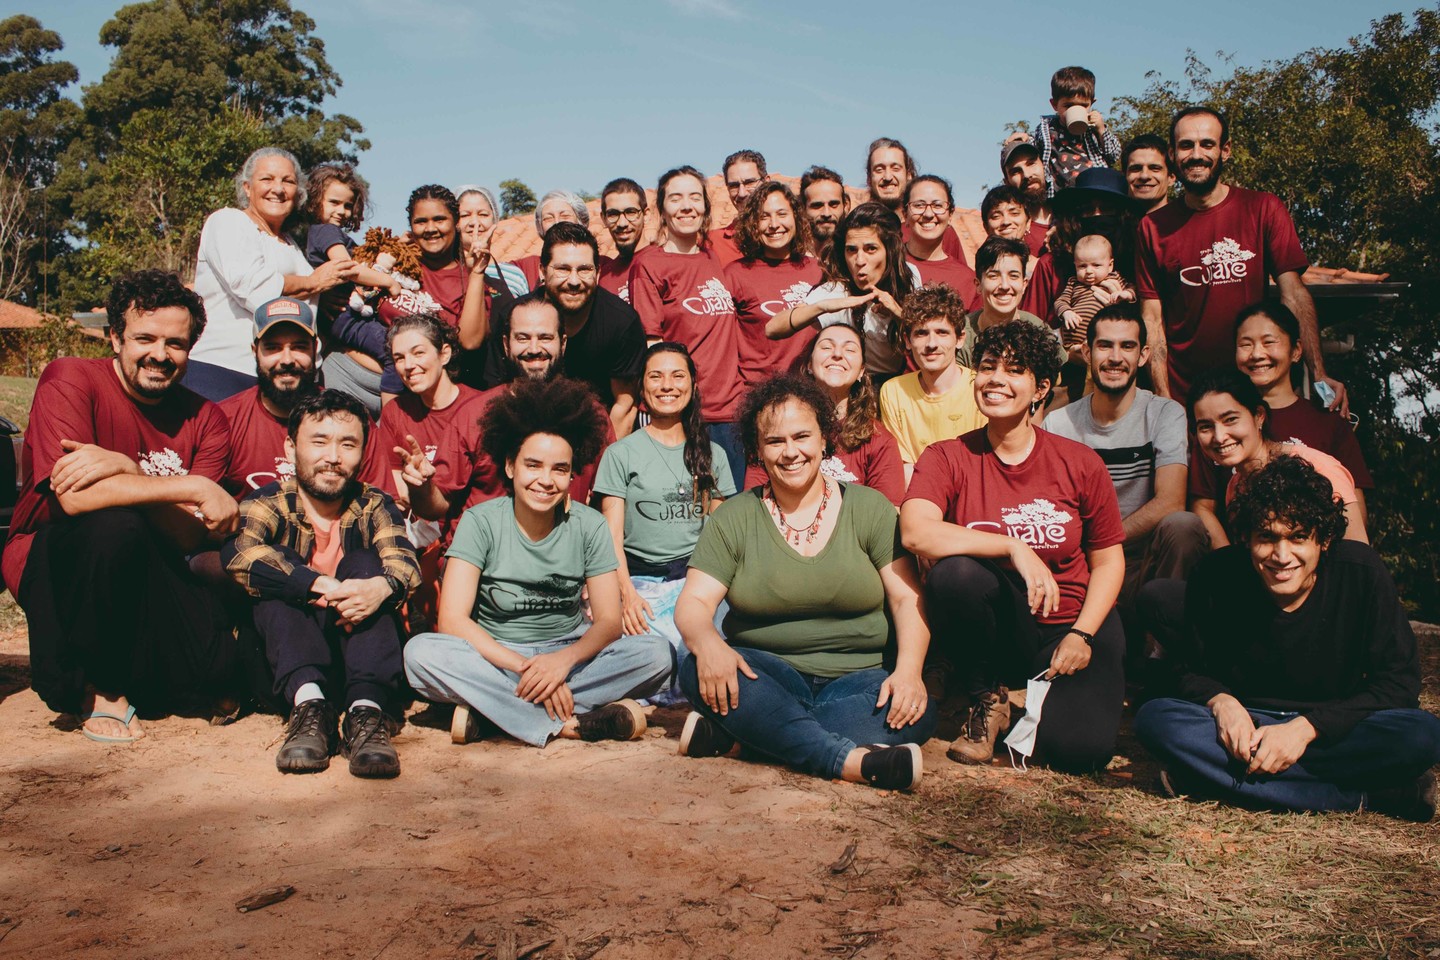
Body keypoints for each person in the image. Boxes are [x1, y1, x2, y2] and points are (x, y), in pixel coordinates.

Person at [3, 270, 240, 743]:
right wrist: (185, 484)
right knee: (114, 525)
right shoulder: (71, 378)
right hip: (54, 553)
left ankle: (147, 675)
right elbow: (74, 498)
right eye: (144, 338)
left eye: (175, 343)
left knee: (215, 681)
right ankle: (98, 688)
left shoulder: (206, 417)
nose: (160, 354)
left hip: (157, 560)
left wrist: (129, 472)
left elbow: (191, 533)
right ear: (115, 337)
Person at [1135, 455, 1440, 821]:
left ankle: (1206, 780)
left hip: (1331, 726)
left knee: (1422, 735)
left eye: (1298, 537)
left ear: (1324, 539)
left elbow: (1397, 686)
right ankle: (1374, 795)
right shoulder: (1216, 575)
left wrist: (1306, 729)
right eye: (1267, 537)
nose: (1282, 556)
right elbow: (1186, 669)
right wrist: (1222, 703)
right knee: (1157, 719)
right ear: (1246, 537)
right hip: (1248, 725)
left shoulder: (1362, 573)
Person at [674, 375, 938, 791]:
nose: (791, 452)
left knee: (917, 710)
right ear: (757, 449)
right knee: (694, 668)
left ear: (823, 439)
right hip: (764, 674)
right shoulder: (734, 516)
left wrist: (908, 671)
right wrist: (709, 647)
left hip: (859, 678)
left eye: (802, 436)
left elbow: (907, 600)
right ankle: (850, 762)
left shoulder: (869, 508)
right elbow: (693, 605)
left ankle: (749, 736)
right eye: (775, 441)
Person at [901, 320, 1126, 770]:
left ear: (1041, 388)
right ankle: (989, 696)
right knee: (954, 573)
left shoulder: (1079, 463)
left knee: (1080, 752)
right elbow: (916, 531)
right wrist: (1010, 546)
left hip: (1071, 622)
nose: (996, 379)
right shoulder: (947, 456)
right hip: (1003, 628)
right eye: (987, 367)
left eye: (1014, 370)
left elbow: (1108, 560)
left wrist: (1083, 634)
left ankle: (1025, 700)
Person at [404, 377, 672, 748]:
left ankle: (493, 713)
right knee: (420, 654)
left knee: (656, 654)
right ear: (511, 467)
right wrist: (526, 669)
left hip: (568, 652)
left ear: (571, 474)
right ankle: (568, 724)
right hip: (497, 654)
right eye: (533, 466)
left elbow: (609, 621)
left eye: (559, 469)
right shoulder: (480, 521)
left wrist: (561, 663)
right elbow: (453, 621)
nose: (545, 481)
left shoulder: (589, 524)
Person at [223, 390, 420, 778]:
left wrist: (379, 588)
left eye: (348, 444)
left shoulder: (374, 504)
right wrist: (316, 584)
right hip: (285, 668)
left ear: (363, 452)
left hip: (358, 659)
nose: (333, 456)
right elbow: (238, 555)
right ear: (291, 446)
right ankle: (310, 711)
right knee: (280, 570)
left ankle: (367, 715)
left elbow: (405, 563)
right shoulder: (267, 502)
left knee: (367, 563)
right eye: (319, 442)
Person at [1137, 106, 1347, 414]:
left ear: (1226, 150)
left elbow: (1293, 293)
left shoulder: (1262, 208)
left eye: (1207, 144)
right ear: (1172, 153)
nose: (1197, 154)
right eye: (1186, 145)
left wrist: (1319, 373)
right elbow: (1152, 319)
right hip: (1187, 401)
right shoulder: (1152, 227)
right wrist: (1163, 396)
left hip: (1256, 393)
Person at [1043, 305, 1208, 635]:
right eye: (1105, 346)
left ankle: (1161, 648)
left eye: (1127, 346)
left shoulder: (1165, 414)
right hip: (1082, 565)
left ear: (1144, 355)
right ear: (1087, 352)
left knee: (1184, 525)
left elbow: (1171, 501)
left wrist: (1105, 542)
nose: (1115, 357)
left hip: (1145, 558)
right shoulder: (1058, 423)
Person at [594, 343, 737, 699]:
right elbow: (610, 535)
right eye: (655, 377)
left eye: (677, 376)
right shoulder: (620, 453)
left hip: (695, 586)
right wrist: (625, 595)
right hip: (639, 586)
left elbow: (722, 536)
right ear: (642, 388)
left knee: (706, 651)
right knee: (647, 657)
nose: (666, 385)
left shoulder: (713, 453)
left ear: (692, 386)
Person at [190, 147, 352, 401]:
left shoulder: (290, 244)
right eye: (267, 179)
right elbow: (256, 289)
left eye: (287, 181)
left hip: (286, 378)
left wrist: (322, 297)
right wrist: (314, 282)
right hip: (224, 370)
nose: (278, 188)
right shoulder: (228, 222)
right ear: (246, 187)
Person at [370, 314, 492, 629]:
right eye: (399, 357)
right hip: (421, 533)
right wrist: (415, 483)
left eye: (418, 352)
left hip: (470, 534)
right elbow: (397, 491)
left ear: (445, 354)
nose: (408, 364)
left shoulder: (480, 407)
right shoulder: (397, 413)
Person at [627, 165, 745, 483]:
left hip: (730, 412)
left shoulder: (713, 258)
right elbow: (652, 346)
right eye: (676, 198)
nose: (687, 206)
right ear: (662, 209)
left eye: (695, 197)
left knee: (729, 513)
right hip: (685, 413)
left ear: (706, 206)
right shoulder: (649, 264)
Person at [476, 222, 646, 436]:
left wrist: (603, 466)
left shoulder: (621, 323)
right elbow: (497, 394)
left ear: (598, 272)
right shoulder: (515, 317)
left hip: (595, 435)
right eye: (563, 269)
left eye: (584, 269)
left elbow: (624, 407)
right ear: (542, 271)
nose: (574, 281)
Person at [329, 185, 490, 408]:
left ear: (456, 223)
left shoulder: (468, 279)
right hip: (348, 380)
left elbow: (471, 342)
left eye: (440, 219)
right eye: (421, 221)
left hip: (415, 401)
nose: (430, 228)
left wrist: (477, 273)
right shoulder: (395, 261)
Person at [1223, 300, 1371, 518]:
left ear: (1296, 350)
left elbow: (1354, 513)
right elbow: (1203, 508)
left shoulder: (1329, 422)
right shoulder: (1217, 423)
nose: (1256, 354)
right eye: (1245, 344)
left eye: (1269, 342)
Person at [1188, 369, 1367, 547]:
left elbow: (1357, 557)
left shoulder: (1319, 468)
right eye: (1205, 427)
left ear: (1259, 416)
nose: (1219, 437)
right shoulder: (1236, 487)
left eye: (1230, 420)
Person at [743, 324, 905, 506]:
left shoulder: (878, 439)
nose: (837, 354)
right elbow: (753, 503)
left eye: (850, 349)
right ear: (809, 365)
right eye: (827, 347)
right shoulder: (776, 426)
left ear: (861, 371)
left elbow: (888, 512)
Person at [765, 202, 920, 383]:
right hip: (855, 386)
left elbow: (929, 337)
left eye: (871, 249)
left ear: (889, 251)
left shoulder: (908, 276)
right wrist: (822, 306)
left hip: (899, 384)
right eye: (851, 250)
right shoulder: (836, 291)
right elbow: (772, 329)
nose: (860, 260)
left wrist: (897, 312)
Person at [723, 182, 824, 387]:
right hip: (756, 394)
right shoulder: (735, 274)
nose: (774, 224)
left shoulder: (818, 271)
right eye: (764, 216)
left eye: (782, 214)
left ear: (796, 217)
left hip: (810, 392)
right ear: (752, 223)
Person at [880, 285, 985, 481]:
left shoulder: (979, 387)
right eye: (921, 333)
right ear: (907, 340)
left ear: (960, 338)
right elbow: (902, 467)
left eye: (942, 332)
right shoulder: (894, 391)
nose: (931, 344)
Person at [301, 163, 407, 310]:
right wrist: (388, 281)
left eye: (348, 206)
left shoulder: (321, 232)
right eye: (334, 202)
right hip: (345, 312)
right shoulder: (327, 231)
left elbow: (365, 260)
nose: (342, 211)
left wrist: (398, 244)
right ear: (315, 200)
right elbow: (347, 268)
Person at [957, 237, 1065, 374]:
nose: (1005, 286)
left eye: (1013, 276)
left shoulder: (1040, 330)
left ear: (1024, 284)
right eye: (993, 276)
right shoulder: (961, 334)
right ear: (978, 285)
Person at [1053, 233, 1136, 402]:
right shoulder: (1073, 283)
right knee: (1068, 386)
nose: (1089, 271)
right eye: (1082, 266)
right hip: (1072, 347)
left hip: (1096, 344)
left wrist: (1125, 294)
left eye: (1096, 265)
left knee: (1091, 385)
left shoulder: (1114, 279)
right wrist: (1066, 312)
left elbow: (1132, 290)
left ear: (1110, 265)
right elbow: (1060, 301)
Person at [866, 137, 966, 260]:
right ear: (869, 178)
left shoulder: (939, 230)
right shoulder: (859, 230)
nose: (887, 177)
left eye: (895, 168)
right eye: (879, 169)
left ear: (909, 174)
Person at [1032, 65, 1122, 196]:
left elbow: (1114, 155)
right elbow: (1034, 148)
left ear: (1092, 103)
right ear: (1054, 105)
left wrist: (1101, 130)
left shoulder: (1094, 128)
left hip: (1093, 189)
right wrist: (1021, 138)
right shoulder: (1047, 129)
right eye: (1068, 105)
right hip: (1062, 194)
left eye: (1084, 105)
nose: (1076, 109)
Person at [902, 175, 979, 308]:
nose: (928, 214)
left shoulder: (967, 280)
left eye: (937, 205)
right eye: (919, 205)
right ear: (905, 215)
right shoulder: (888, 264)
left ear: (950, 215)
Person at [507, 189, 592, 290]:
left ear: (580, 221)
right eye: (548, 218)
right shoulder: (525, 267)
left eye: (565, 216)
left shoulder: (601, 264)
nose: (557, 223)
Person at [709, 148, 769, 267]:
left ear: (766, 182)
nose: (742, 193)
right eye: (734, 186)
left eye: (749, 183)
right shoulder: (712, 243)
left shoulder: (785, 236)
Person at [597, 177, 649, 299]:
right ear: (603, 219)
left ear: (646, 215)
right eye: (613, 214)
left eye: (631, 212)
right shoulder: (605, 278)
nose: (622, 223)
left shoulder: (665, 262)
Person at [1001, 139, 1052, 237]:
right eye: (1015, 171)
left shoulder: (1072, 217)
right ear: (1007, 182)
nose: (1027, 175)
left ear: (1044, 165)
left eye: (1031, 163)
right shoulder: (1009, 232)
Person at [799, 165, 850, 255]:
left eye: (833, 205)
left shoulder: (855, 258)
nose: (826, 213)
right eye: (817, 206)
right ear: (802, 209)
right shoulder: (791, 259)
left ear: (845, 206)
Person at [981, 184, 1040, 260]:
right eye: (996, 216)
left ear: (1028, 222)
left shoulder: (1042, 268)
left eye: (1014, 213)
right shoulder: (983, 270)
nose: (1006, 222)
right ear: (986, 227)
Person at [1121, 134, 1175, 213]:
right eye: (1136, 169)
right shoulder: (1110, 223)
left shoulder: (1189, 223)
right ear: (1124, 176)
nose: (1144, 176)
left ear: (1171, 177)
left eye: (1154, 168)